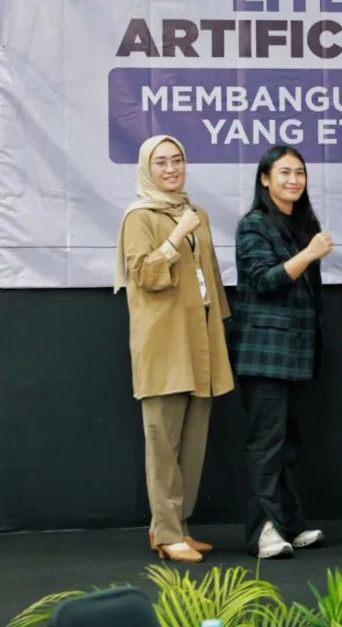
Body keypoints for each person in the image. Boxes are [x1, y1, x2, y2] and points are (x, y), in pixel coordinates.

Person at [114, 134, 234, 563]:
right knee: (163, 443)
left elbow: (209, 275)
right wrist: (175, 237)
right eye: (161, 162)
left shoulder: (195, 212)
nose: (171, 169)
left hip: (199, 338)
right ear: (147, 169)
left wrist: (217, 326)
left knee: (193, 442)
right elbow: (142, 274)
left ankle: (176, 527)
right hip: (164, 342)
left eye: (177, 160)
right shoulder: (139, 216)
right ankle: (166, 533)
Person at [228, 145, 333, 559]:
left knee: (288, 444)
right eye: (285, 172)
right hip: (264, 353)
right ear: (265, 179)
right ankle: (263, 531)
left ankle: (290, 523)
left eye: (300, 173)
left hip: (298, 353)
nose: (294, 180)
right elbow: (264, 280)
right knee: (266, 445)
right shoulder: (253, 225)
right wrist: (309, 254)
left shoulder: (303, 223)